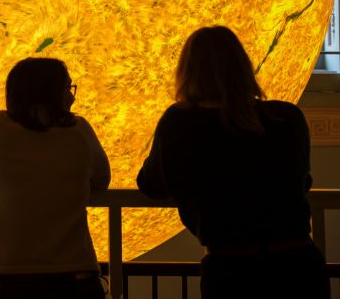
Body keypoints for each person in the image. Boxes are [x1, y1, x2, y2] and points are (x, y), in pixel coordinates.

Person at [137, 26, 329, 299]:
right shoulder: (287, 117)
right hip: (299, 264)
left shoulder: (180, 122)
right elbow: (302, 180)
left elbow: (152, 184)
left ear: (187, 72)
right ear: (243, 66)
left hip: (231, 269)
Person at [0, 57, 111, 299]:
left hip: (14, 277)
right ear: (51, 93)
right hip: (76, 274)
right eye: (67, 88)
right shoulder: (80, 130)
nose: (72, 97)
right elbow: (101, 180)